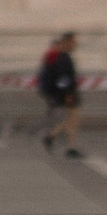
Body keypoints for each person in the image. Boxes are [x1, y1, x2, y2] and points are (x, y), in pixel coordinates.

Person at [35, 29, 83, 157]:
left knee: (70, 120)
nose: (75, 44)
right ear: (67, 42)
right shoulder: (63, 58)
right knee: (71, 120)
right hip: (68, 95)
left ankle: (53, 138)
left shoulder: (63, 57)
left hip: (68, 93)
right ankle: (67, 146)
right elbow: (63, 79)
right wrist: (67, 94)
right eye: (73, 42)